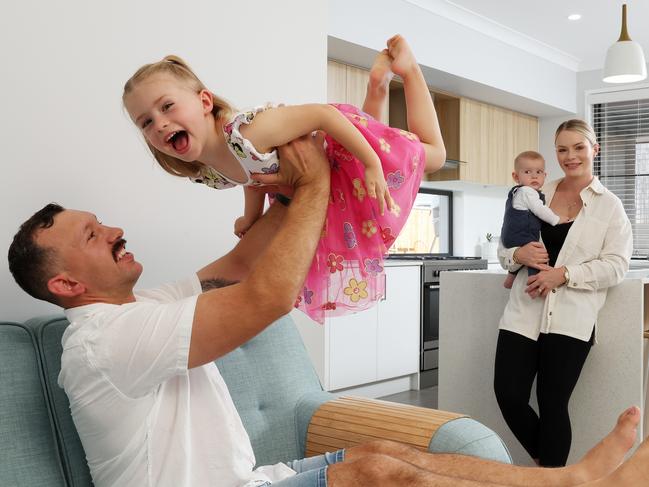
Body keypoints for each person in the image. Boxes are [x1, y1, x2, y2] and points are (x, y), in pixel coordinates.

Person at [6, 136, 649, 487]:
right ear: (65, 284)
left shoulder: (139, 307)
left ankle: (570, 481)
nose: (114, 229)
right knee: (374, 473)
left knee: (383, 445)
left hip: (253, 477)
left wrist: (293, 185)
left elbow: (237, 266)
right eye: (93, 235)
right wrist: (314, 184)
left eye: (100, 222)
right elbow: (265, 296)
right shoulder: (101, 344)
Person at [121, 34, 447, 323]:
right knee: (356, 179)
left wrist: (373, 162)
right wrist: (251, 216)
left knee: (433, 154)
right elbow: (252, 176)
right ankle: (376, 85)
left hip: (340, 137)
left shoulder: (248, 131)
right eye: (146, 122)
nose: (160, 123)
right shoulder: (209, 171)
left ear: (205, 102)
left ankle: (409, 70)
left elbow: (323, 115)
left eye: (167, 107)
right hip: (333, 160)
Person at [495, 119, 633, 467]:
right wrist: (516, 256)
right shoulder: (534, 192)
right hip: (523, 312)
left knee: (553, 403)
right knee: (508, 394)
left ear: (594, 149)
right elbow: (506, 246)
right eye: (561, 149)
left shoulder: (610, 206)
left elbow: (616, 265)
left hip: (571, 320)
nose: (570, 156)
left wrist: (565, 274)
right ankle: (554, 471)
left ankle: (549, 476)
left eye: (578, 147)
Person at [501, 151, 567, 290]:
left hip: (509, 237)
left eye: (539, 172)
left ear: (545, 175)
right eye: (527, 172)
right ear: (516, 176)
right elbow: (540, 210)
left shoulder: (516, 192)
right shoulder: (527, 192)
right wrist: (557, 219)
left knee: (528, 255)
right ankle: (534, 282)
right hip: (523, 234)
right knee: (537, 257)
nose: (534, 176)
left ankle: (510, 278)